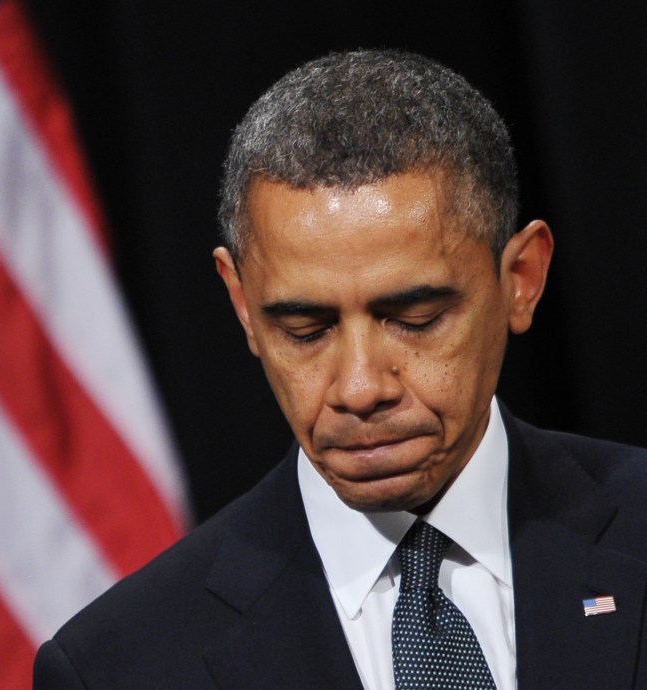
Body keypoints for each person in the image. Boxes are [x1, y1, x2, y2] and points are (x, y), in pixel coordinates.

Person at [33, 50, 647, 689]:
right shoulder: (120, 666)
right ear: (243, 305)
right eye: (306, 330)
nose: (359, 389)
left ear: (521, 279)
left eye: (414, 318)